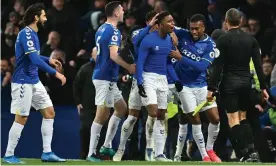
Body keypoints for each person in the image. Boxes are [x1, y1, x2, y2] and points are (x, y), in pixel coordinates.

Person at [3, 3, 66, 164]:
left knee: (49, 112)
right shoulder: (26, 34)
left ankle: (47, 153)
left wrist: (48, 59)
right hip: (23, 82)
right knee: (21, 118)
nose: (46, 18)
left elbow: (35, 56)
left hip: (34, 80)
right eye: (43, 15)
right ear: (36, 17)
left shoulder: (33, 34)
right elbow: (34, 59)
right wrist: (55, 73)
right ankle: (9, 155)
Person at [208, 8, 269, 162]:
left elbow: (217, 67)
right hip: (246, 84)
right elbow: (258, 66)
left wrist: (211, 88)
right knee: (243, 118)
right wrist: (263, 88)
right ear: (241, 21)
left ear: (226, 22)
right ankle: (252, 152)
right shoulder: (251, 40)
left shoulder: (222, 40)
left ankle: (245, 153)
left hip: (229, 85)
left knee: (233, 120)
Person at [87, 1, 135, 162]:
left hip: (107, 77)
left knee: (121, 108)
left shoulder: (101, 29)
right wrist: (129, 67)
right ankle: (91, 153)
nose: (123, 12)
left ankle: (107, 145)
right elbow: (114, 56)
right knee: (101, 115)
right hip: (105, 78)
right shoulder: (114, 32)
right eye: (121, 10)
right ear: (115, 13)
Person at [170, 14, 221, 162]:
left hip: (201, 86)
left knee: (215, 119)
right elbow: (168, 26)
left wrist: (180, 57)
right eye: (191, 28)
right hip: (184, 86)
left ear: (203, 28)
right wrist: (172, 33)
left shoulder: (210, 45)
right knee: (194, 119)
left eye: (196, 29)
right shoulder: (184, 34)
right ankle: (204, 155)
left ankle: (210, 149)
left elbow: (201, 67)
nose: (193, 32)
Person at [112, 10, 159, 162]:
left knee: (151, 117)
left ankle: (148, 152)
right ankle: (122, 150)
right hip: (134, 84)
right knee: (132, 118)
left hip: (153, 83)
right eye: (153, 22)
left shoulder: (162, 39)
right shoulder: (136, 34)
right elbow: (135, 40)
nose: (156, 25)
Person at [136, 11, 176, 161]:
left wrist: (176, 79)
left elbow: (168, 64)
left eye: (173, 21)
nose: (173, 24)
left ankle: (159, 153)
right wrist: (140, 81)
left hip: (163, 79)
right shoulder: (148, 40)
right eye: (169, 21)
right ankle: (149, 148)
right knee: (153, 112)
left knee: (162, 116)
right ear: (159, 25)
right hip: (148, 78)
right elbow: (140, 62)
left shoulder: (169, 41)